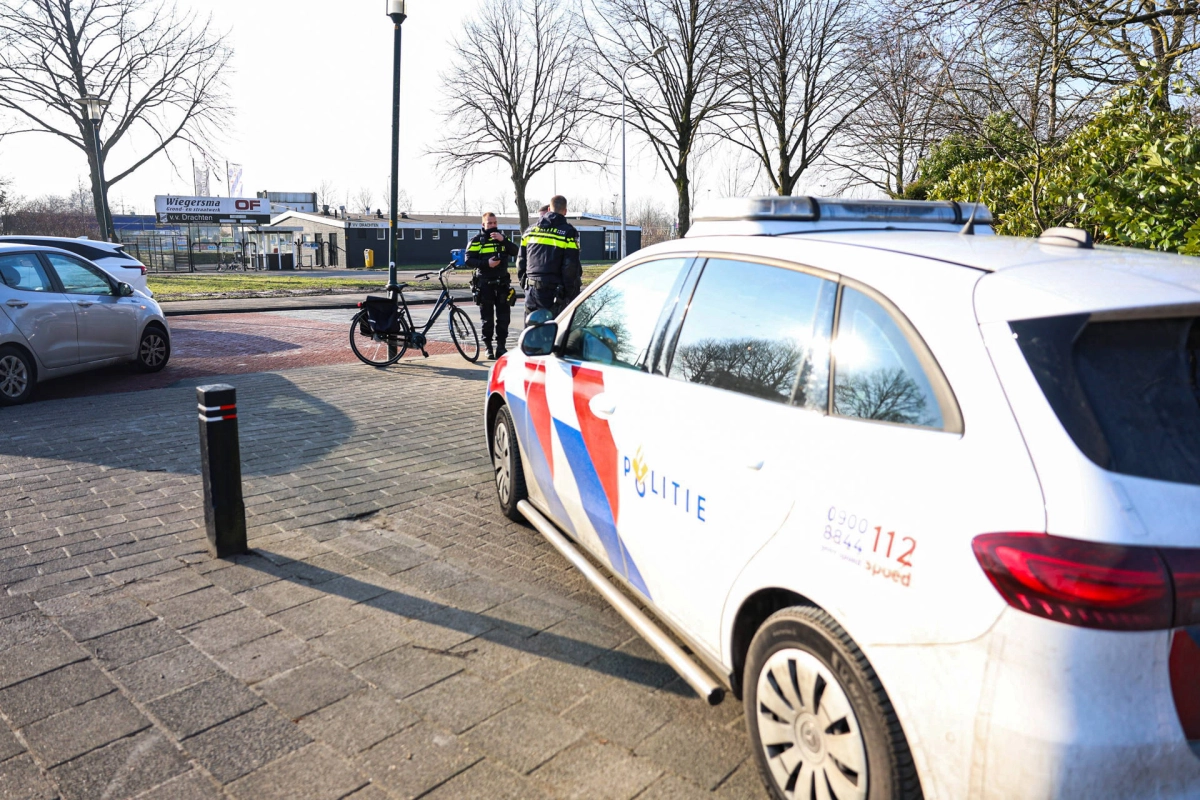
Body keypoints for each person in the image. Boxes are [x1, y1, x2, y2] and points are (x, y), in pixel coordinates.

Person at [518, 195, 581, 322]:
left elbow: (521, 261)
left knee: (531, 331)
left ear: (548, 209)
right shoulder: (568, 232)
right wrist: (570, 293)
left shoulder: (529, 231)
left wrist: (525, 283)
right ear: (565, 211)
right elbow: (570, 267)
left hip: (531, 289)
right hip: (554, 292)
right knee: (553, 333)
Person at [465, 211, 519, 359]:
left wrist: (504, 240)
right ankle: (488, 347)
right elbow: (468, 260)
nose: (493, 226)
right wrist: (486, 264)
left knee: (504, 319)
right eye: (490, 223)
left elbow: (515, 251)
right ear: (483, 225)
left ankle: (501, 347)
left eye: (495, 223)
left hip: (502, 284)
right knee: (487, 320)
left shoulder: (502, 238)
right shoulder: (477, 240)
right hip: (485, 285)